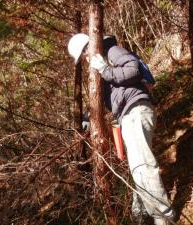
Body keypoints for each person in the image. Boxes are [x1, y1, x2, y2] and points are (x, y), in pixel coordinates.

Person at [68, 33, 175, 225]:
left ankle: (164, 219)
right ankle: (143, 214)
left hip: (136, 111)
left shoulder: (111, 51)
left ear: (87, 48)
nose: (85, 60)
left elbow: (133, 70)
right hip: (130, 115)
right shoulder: (102, 64)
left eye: (84, 55)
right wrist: (87, 118)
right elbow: (109, 97)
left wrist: (104, 69)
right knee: (138, 168)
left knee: (143, 167)